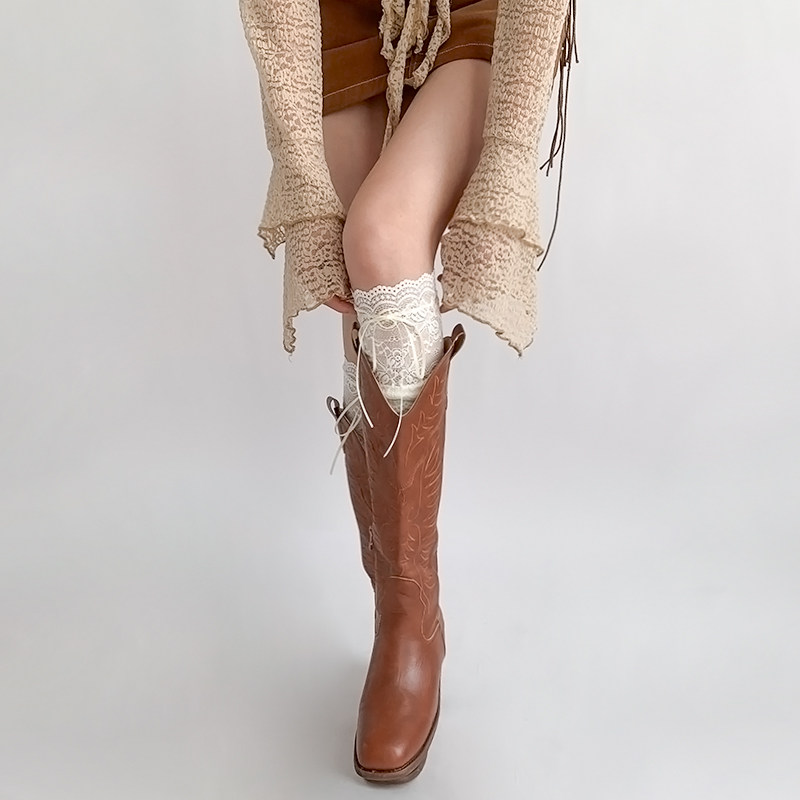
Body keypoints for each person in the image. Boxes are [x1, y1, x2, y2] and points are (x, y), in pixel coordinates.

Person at [239, 0, 578, 783]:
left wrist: (506, 159)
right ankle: (398, 612)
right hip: (342, 17)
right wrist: (302, 181)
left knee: (381, 237)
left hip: (482, 13)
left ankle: (410, 619)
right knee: (362, 287)